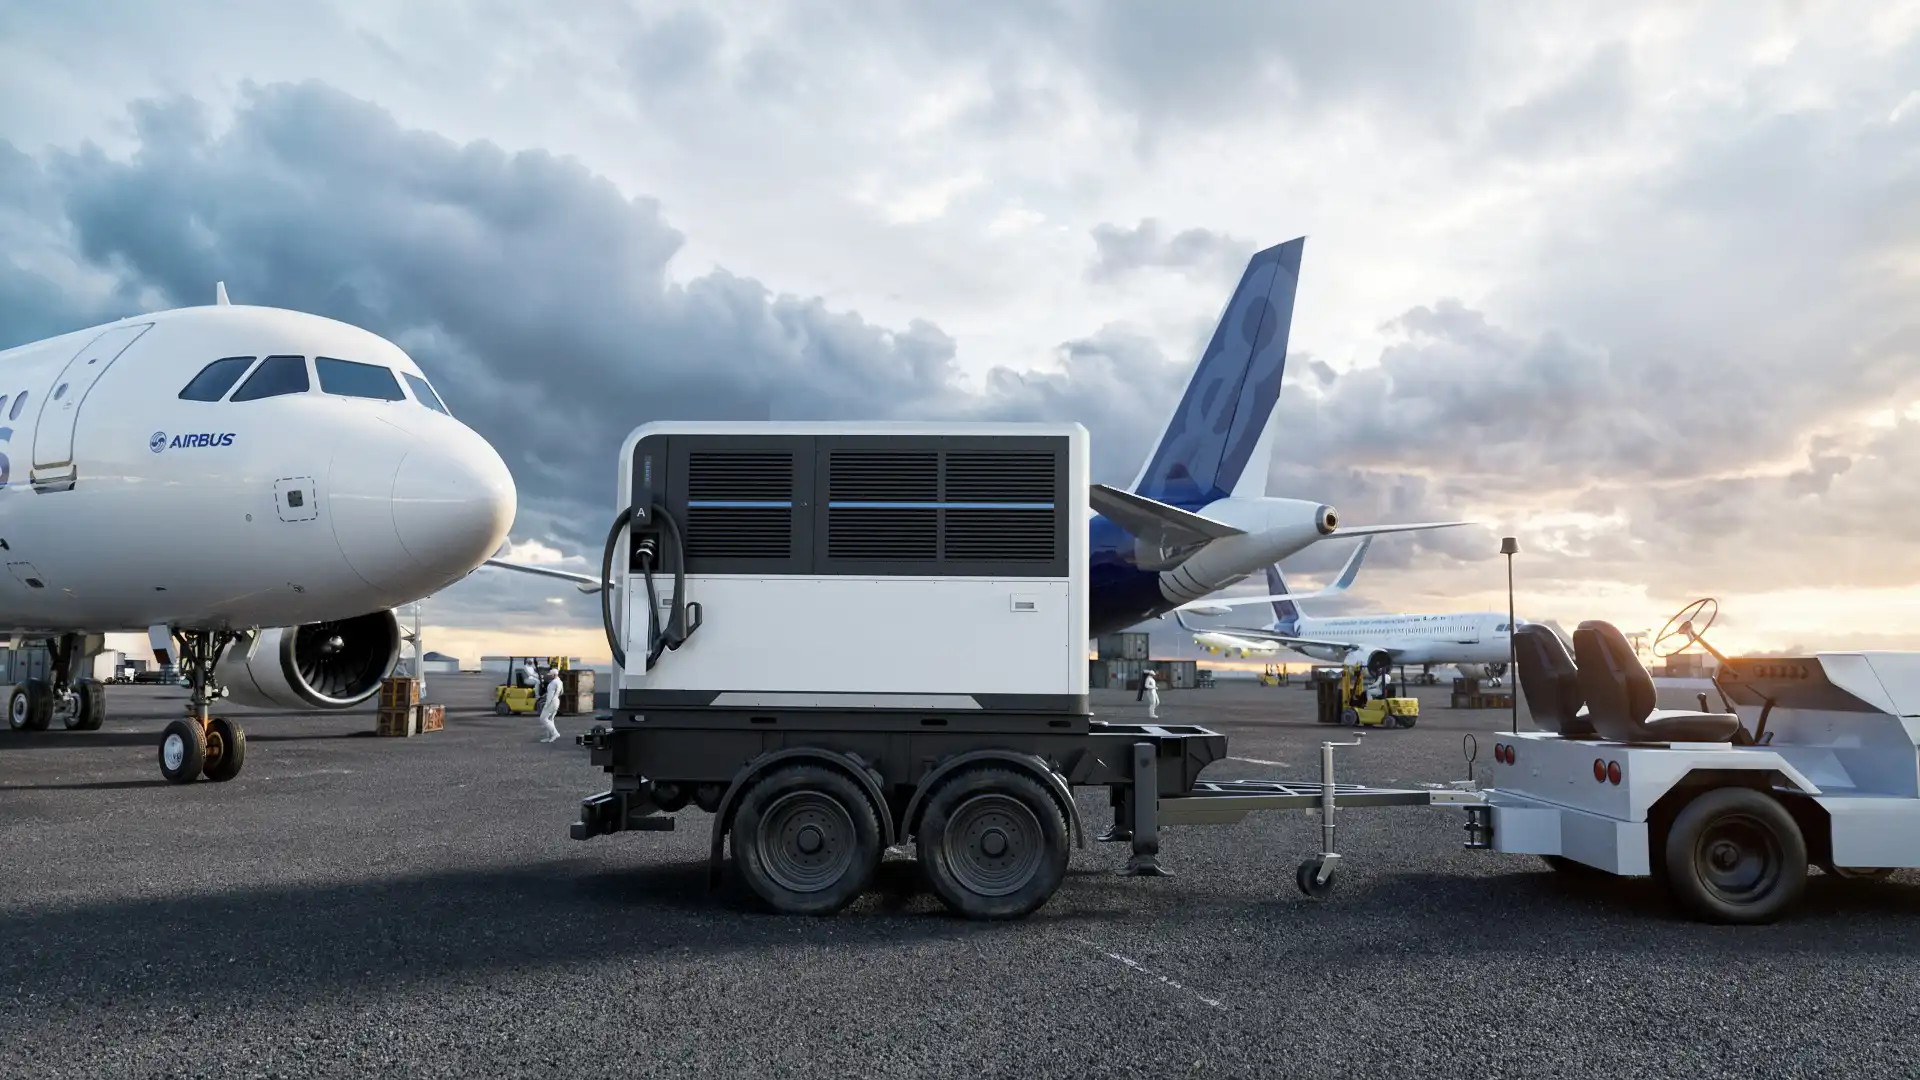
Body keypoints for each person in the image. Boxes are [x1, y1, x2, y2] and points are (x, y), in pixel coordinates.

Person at [535, 665, 562, 743]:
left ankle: (555, 733)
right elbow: (561, 692)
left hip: (551, 702)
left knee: (543, 718)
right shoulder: (560, 681)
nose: (549, 676)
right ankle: (549, 737)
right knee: (550, 719)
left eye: (550, 675)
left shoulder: (552, 683)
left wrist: (546, 704)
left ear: (554, 675)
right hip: (556, 700)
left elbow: (550, 695)